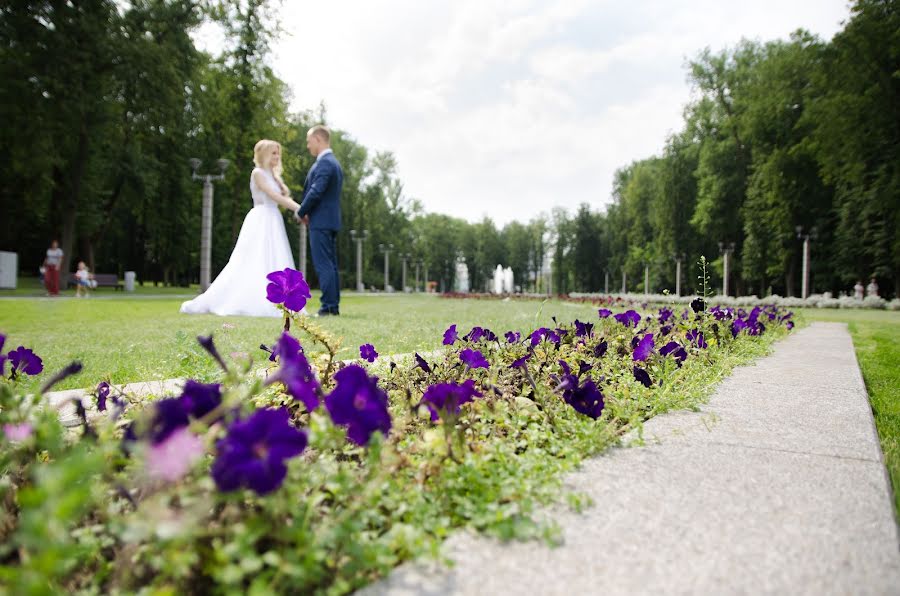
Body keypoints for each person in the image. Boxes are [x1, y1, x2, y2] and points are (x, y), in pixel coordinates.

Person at [181, 139, 302, 317]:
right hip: (261, 218)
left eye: (278, 153)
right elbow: (273, 196)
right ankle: (256, 300)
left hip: (274, 219)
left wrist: (301, 208)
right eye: (273, 153)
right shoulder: (258, 173)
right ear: (264, 154)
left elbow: (282, 198)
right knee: (254, 260)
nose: (277, 156)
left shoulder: (275, 176)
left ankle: (284, 300)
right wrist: (299, 209)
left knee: (276, 257)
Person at [295, 125, 343, 316]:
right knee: (330, 265)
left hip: (321, 222)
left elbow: (316, 191)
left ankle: (327, 307)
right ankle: (332, 306)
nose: (308, 146)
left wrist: (301, 211)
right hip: (329, 221)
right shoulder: (334, 163)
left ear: (318, 139)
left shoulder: (325, 163)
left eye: (309, 141)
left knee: (324, 264)